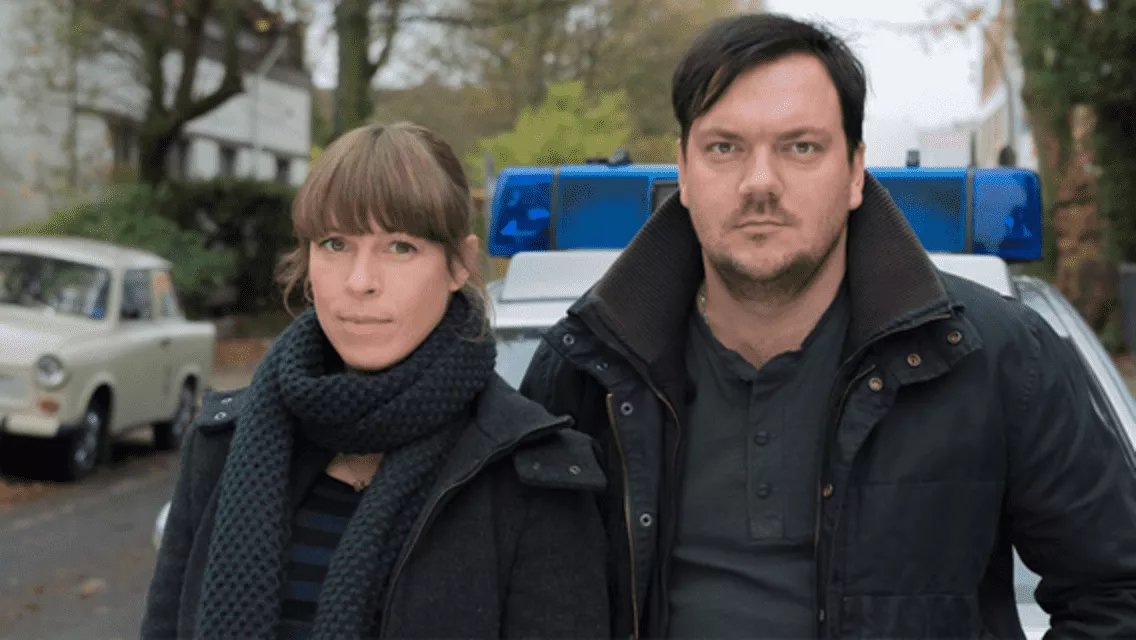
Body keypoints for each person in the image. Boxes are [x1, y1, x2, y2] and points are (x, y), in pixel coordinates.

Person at [519, 12, 1136, 639]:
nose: (760, 183)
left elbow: (1119, 594)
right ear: (683, 169)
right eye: (724, 147)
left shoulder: (995, 357)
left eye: (801, 147)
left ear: (855, 171)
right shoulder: (586, 369)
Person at [141, 122, 609, 639]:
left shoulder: (534, 477)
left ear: (459, 265)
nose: (360, 281)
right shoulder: (222, 447)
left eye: (400, 247)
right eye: (335, 244)